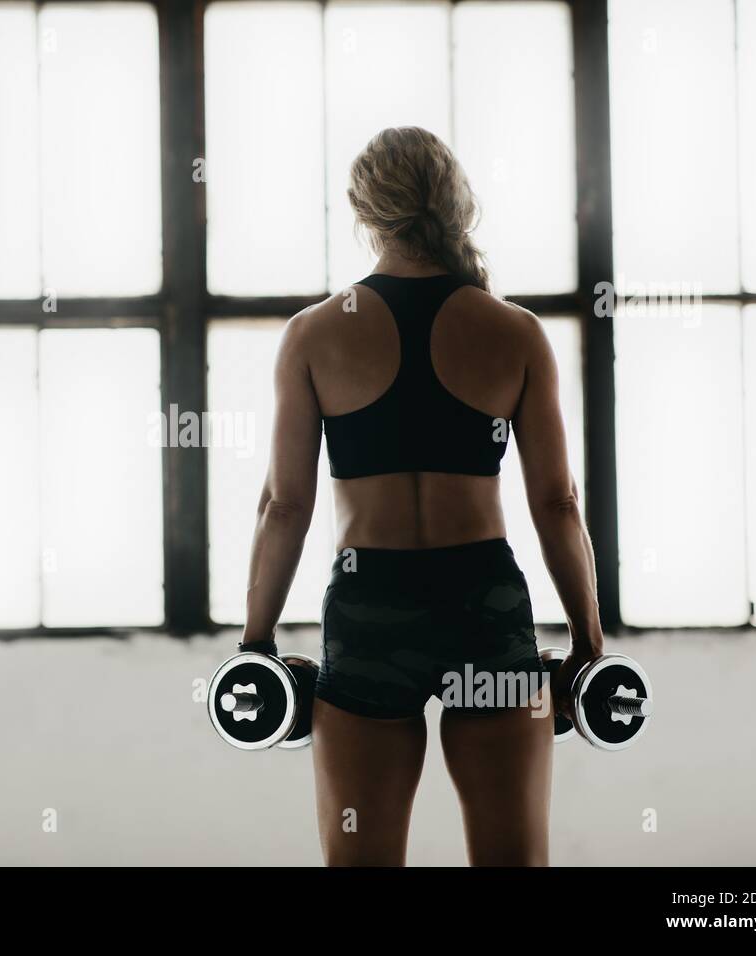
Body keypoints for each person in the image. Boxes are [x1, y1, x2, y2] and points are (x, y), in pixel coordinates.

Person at [238, 127, 603, 866]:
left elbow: (285, 505)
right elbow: (558, 503)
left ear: (363, 211)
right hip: (483, 604)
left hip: (369, 608)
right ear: (456, 203)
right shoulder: (514, 333)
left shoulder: (313, 336)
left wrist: (255, 643)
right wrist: (588, 645)